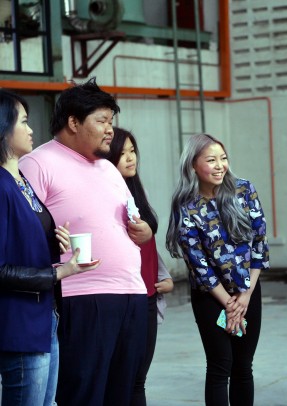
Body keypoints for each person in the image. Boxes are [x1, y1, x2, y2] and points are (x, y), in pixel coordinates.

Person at [19, 78, 150, 405]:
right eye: (102, 121)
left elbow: (131, 219)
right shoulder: (37, 163)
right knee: (83, 393)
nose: (110, 130)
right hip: (82, 296)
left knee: (122, 392)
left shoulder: (108, 168)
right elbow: (23, 231)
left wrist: (144, 232)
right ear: (73, 122)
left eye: (111, 121)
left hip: (131, 292)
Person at [0, 89, 98, 405]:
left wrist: (54, 240)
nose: (31, 129)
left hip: (44, 316)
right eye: (23, 121)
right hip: (20, 323)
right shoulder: (1, 186)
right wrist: (59, 273)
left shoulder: (20, 181)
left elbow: (22, 244)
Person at [166, 133, 269, 406]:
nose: (220, 165)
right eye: (211, 160)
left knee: (243, 366)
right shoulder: (185, 206)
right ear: (193, 165)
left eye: (223, 158)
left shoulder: (244, 190)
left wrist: (244, 297)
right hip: (210, 297)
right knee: (220, 365)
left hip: (248, 291)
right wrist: (229, 304)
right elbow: (197, 263)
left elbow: (260, 244)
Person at [107, 127, 174, 406]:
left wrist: (163, 275)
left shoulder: (137, 191)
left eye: (132, 151)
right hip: (123, 297)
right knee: (122, 379)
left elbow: (149, 248)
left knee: (138, 379)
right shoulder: (106, 195)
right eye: (122, 153)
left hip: (148, 295)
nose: (130, 158)